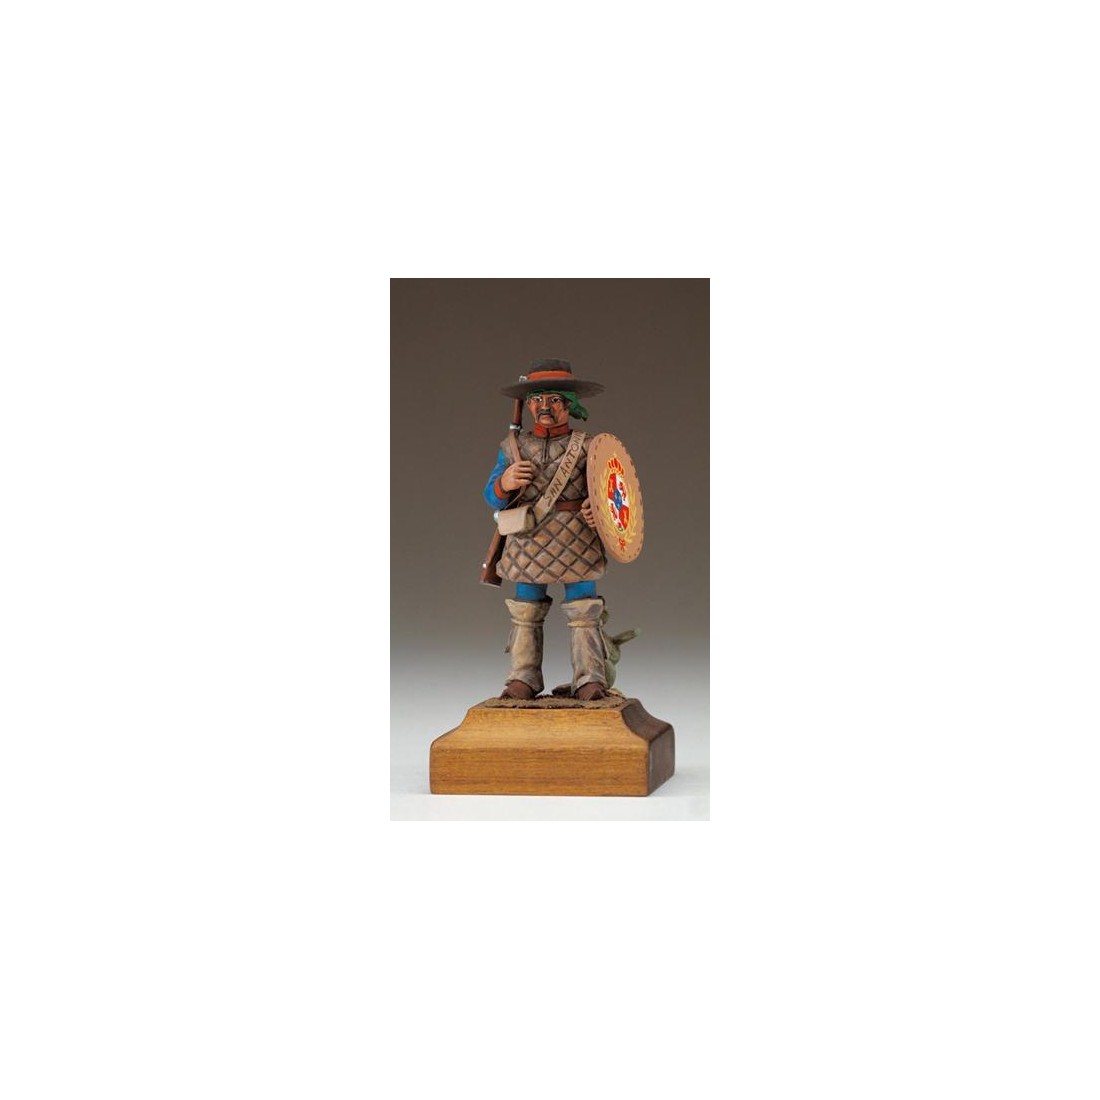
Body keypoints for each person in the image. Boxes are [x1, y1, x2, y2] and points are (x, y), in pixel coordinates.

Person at [483, 359, 611, 701]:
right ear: (528, 406)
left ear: (570, 405)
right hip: (528, 536)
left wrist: (597, 509)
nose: (544, 407)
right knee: (525, 610)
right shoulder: (512, 448)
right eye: (537, 399)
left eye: (554, 400)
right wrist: (506, 482)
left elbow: (611, 491)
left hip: (576, 537)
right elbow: (491, 496)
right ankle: (522, 676)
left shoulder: (589, 447)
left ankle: (589, 678)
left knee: (585, 610)